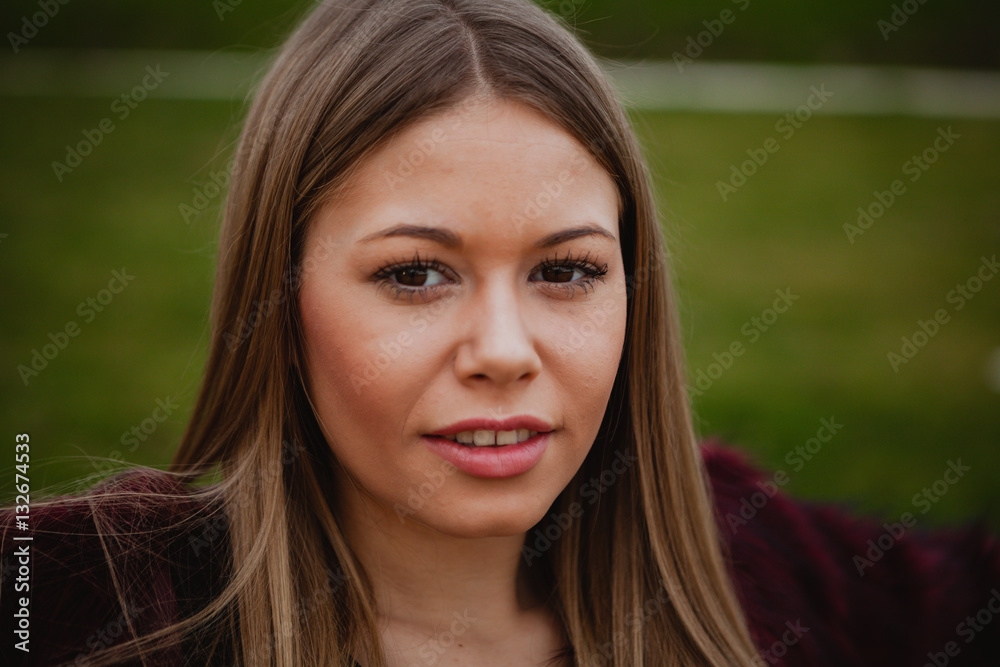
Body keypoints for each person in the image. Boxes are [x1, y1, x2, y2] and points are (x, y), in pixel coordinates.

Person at [2, 0, 998, 665]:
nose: (505, 349)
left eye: (564, 271)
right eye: (415, 273)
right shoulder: (90, 599)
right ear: (279, 295)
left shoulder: (736, 555)